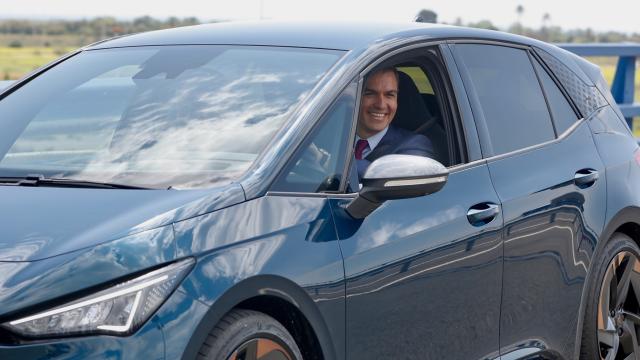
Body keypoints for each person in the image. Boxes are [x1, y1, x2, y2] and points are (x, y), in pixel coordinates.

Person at [355, 67, 435, 179]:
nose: (381, 105)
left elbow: (393, 178)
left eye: (389, 95)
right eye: (370, 94)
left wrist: (333, 163)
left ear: (397, 100)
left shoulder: (415, 144)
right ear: (354, 97)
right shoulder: (331, 134)